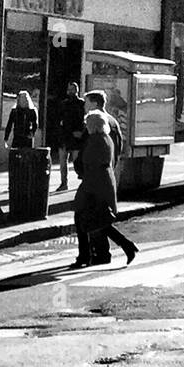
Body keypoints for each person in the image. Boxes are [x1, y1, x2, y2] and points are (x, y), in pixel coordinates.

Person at [70, 111, 137, 268]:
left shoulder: (95, 141)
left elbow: (90, 164)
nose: (86, 126)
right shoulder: (105, 139)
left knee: (87, 219)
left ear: (92, 125)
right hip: (101, 182)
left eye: (87, 124)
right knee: (97, 219)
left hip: (94, 184)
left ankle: (85, 256)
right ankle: (126, 246)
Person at [56, 82, 86, 191]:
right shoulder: (64, 104)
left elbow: (84, 120)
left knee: (77, 162)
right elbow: (59, 120)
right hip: (65, 137)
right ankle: (63, 183)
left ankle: (84, 183)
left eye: (72, 89)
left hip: (76, 137)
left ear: (76, 90)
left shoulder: (81, 103)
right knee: (62, 163)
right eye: (69, 89)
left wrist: (81, 132)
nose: (70, 91)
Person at [83, 90, 122, 169]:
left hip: (96, 168)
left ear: (95, 104)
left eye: (86, 103)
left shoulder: (96, 121)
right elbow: (119, 144)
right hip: (110, 166)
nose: (84, 106)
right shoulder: (113, 121)